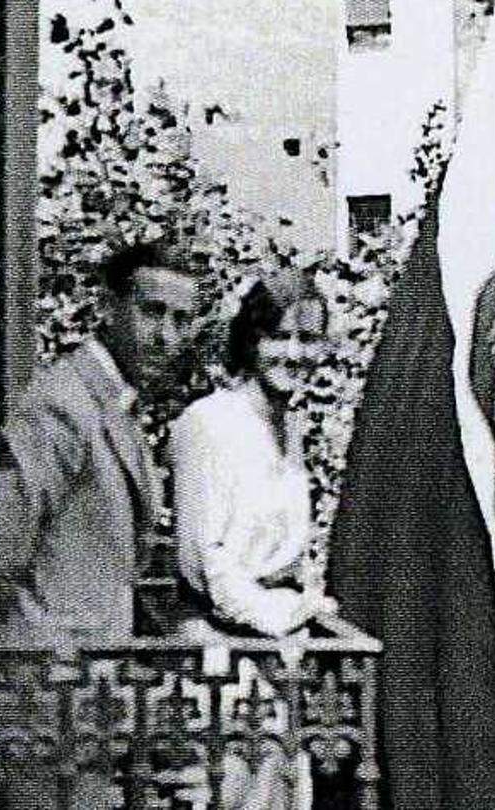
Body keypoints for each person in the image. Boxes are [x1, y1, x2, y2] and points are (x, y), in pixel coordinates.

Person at [0, 239, 202, 809]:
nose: (166, 336)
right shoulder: (62, 403)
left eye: (181, 320)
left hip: (90, 700)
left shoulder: (115, 405)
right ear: (109, 307)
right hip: (43, 700)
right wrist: (33, 661)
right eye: (152, 312)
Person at [164, 277, 338, 810]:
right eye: (279, 337)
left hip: (277, 655)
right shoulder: (209, 424)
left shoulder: (291, 427)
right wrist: (293, 613)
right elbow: (210, 566)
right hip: (222, 657)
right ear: (250, 340)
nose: (295, 354)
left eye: (308, 339)